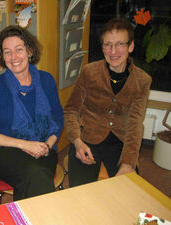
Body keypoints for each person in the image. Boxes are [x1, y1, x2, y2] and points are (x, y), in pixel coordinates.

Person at [0, 25, 63, 201]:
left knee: (34, 176)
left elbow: (58, 117)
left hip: (44, 148)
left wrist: (47, 144)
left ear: (30, 51)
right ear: (2, 56)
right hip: (2, 151)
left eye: (19, 50)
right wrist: (24, 145)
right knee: (35, 174)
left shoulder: (46, 80)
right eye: (7, 52)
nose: (13, 57)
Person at [64, 18, 152, 187]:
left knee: (128, 192)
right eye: (107, 45)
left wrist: (128, 163)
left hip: (120, 141)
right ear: (102, 47)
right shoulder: (89, 72)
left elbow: (135, 123)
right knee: (80, 193)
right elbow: (71, 110)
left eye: (120, 44)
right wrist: (77, 142)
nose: (113, 51)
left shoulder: (142, 80)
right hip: (87, 138)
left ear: (130, 46)